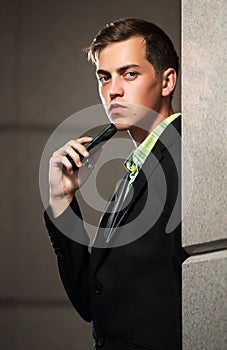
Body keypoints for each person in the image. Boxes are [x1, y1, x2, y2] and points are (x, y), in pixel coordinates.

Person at [44, 18, 188, 350]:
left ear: (166, 81)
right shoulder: (134, 172)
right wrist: (62, 198)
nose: (113, 90)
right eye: (104, 77)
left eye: (129, 74)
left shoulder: (188, 158)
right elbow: (91, 302)